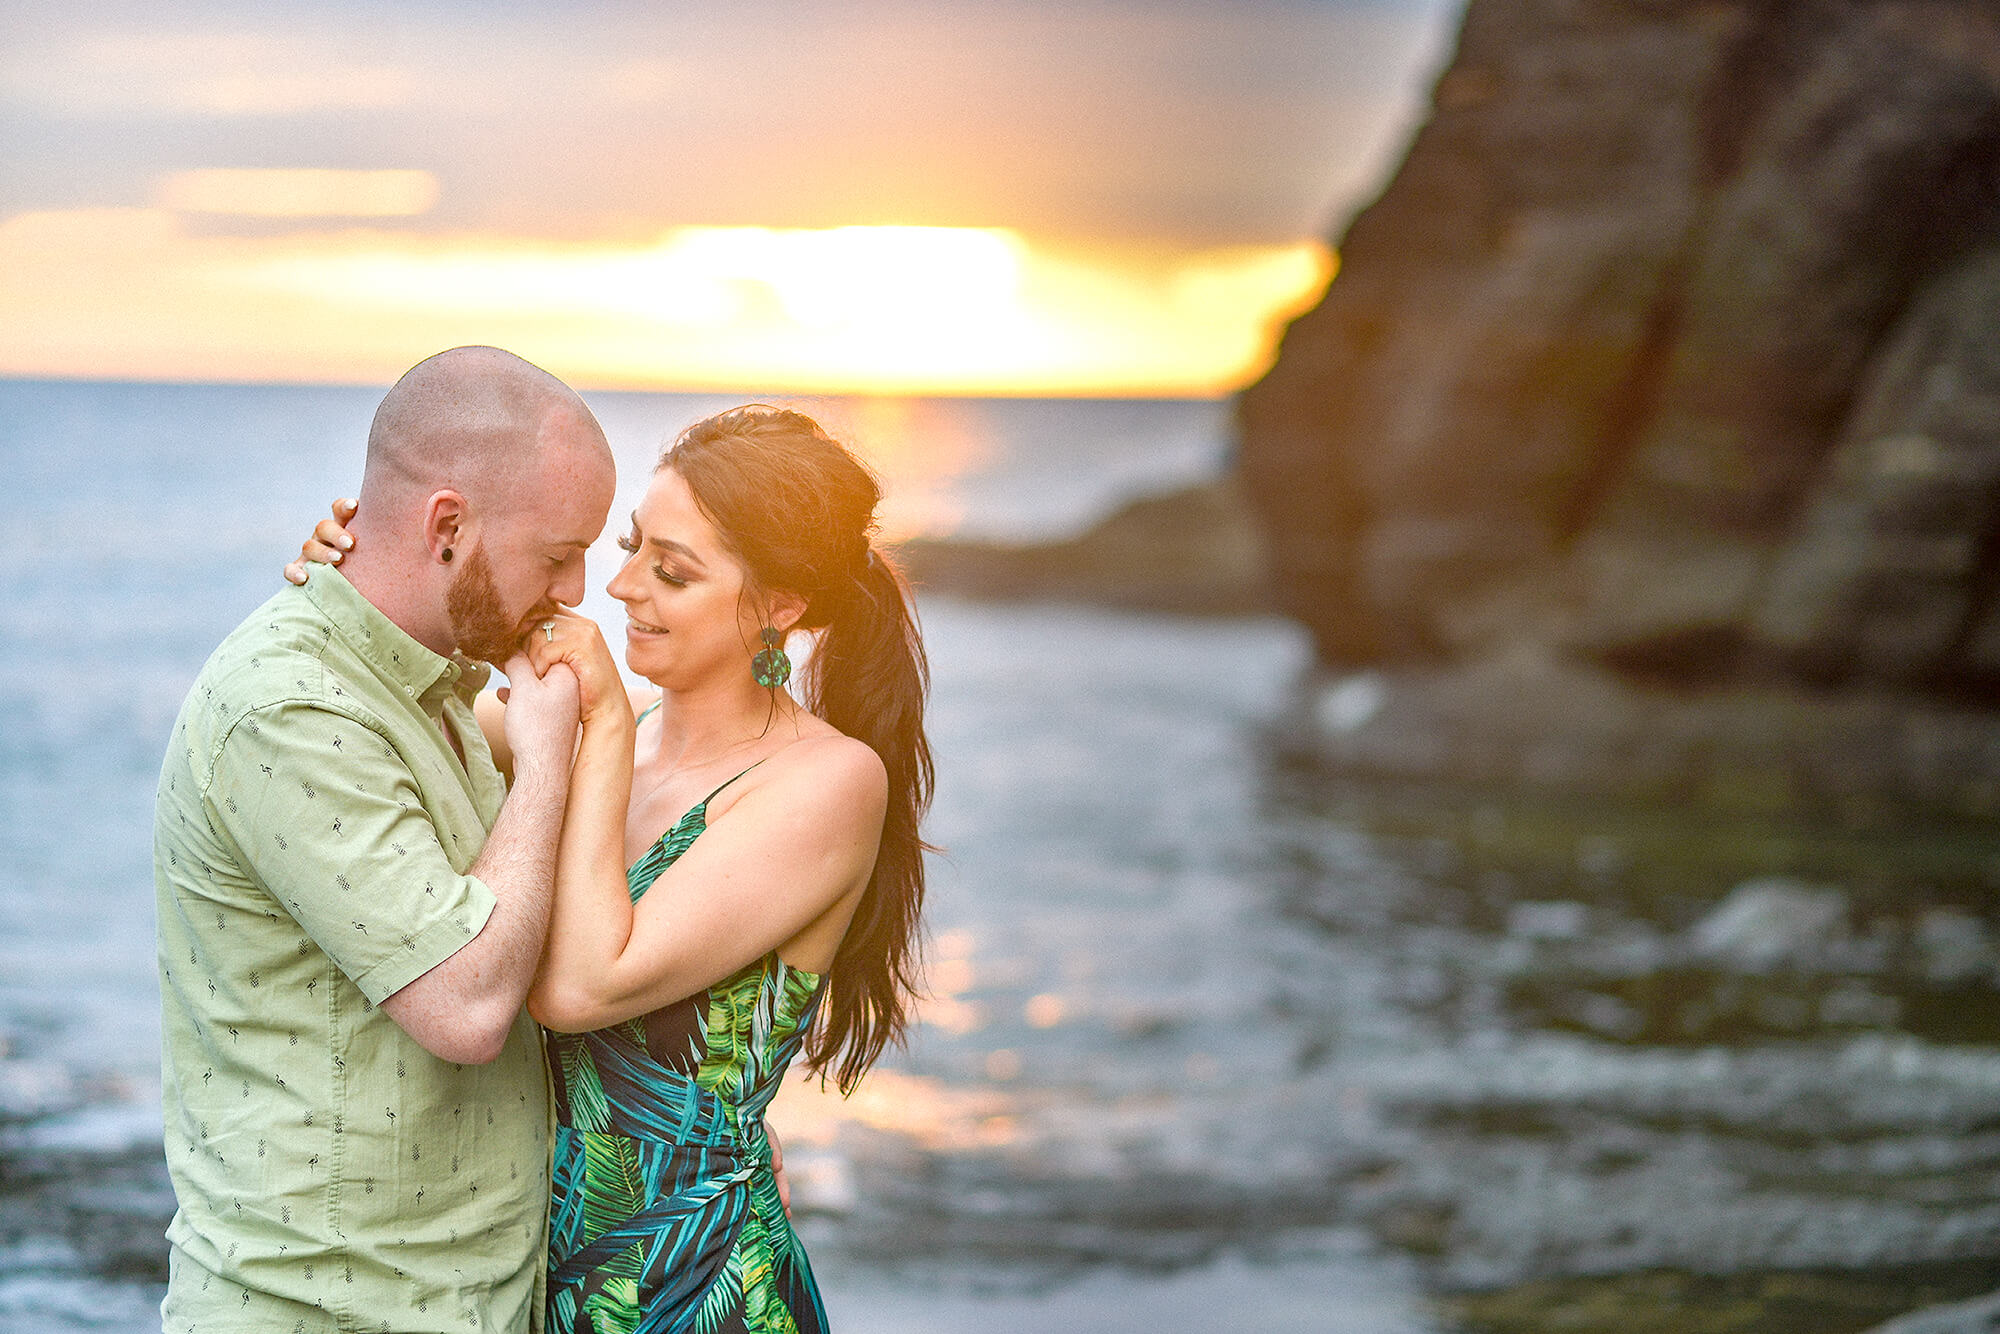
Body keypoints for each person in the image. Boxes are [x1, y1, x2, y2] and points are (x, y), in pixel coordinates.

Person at [292, 404, 934, 1333]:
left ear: (780, 607)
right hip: (531, 1282)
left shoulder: (828, 783)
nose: (622, 586)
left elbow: (582, 987)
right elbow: (386, 721)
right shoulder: (611, 739)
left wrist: (595, 734)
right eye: (632, 546)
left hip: (702, 1291)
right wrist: (354, 573)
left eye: (672, 571)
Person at [154, 345, 617, 1332]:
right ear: (447, 525)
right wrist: (541, 765)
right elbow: (463, 1002)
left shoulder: (435, 688)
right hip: (322, 1308)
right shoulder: (286, 707)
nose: (577, 587)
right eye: (556, 551)